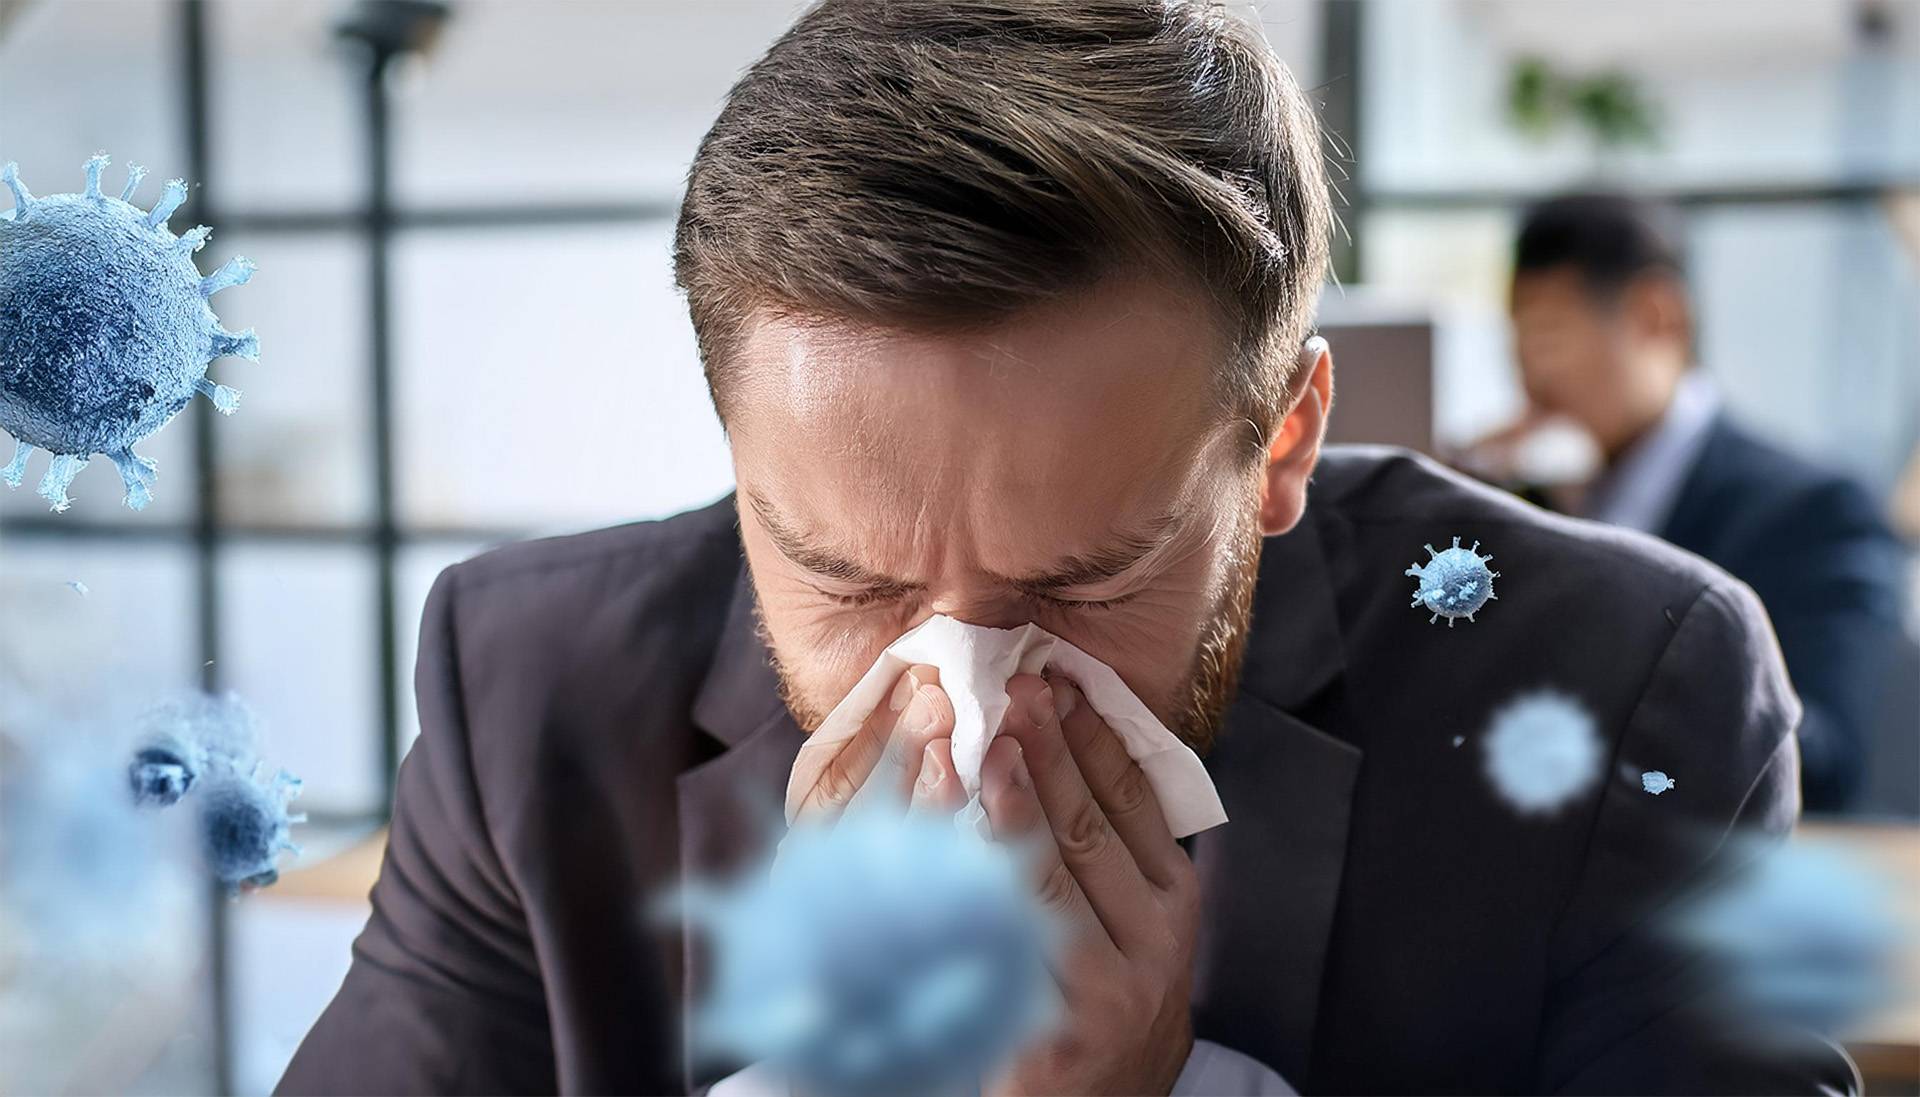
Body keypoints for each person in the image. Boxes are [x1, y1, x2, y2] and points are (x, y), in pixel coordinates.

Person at [279, 3, 1857, 1092]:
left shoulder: (1630, 695)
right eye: (844, 576)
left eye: (1088, 580)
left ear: (1281, 444)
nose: (969, 704)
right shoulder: (530, 694)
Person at [1479, 192, 1910, 814]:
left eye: (1547, 340)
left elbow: (1823, 766)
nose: (1530, 382)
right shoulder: (1535, 503)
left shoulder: (1817, 512)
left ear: (1658, 317)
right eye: (1515, 347)